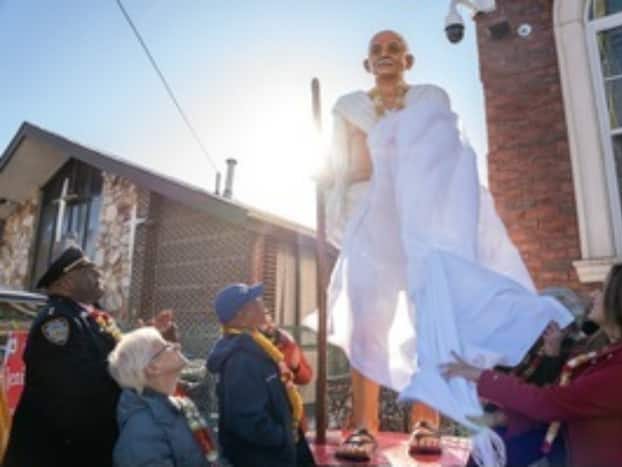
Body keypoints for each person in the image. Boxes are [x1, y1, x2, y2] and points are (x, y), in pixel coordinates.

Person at [319, 30, 571, 463]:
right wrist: (333, 205)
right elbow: (342, 167)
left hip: (420, 221)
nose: (384, 56)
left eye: (393, 49)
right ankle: (363, 425)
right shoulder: (347, 106)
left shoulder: (430, 97)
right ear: (366, 64)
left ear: (408, 60)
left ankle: (426, 421)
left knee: (428, 316)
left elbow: (445, 157)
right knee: (366, 320)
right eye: (376, 51)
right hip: (369, 219)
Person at [442, 262, 622, 467]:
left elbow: (552, 404)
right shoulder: (616, 356)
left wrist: (481, 376)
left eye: (604, 288)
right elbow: (568, 409)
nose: (594, 294)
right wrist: (500, 417)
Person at [4, 246, 122, 467]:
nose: (99, 274)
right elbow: (72, 388)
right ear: (66, 282)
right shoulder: (58, 321)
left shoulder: (89, 316)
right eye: (90, 270)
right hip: (56, 451)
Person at [207, 283, 315, 467]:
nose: (262, 304)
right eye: (254, 300)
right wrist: (283, 437)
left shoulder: (259, 345)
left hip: (281, 449)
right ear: (240, 315)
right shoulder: (241, 359)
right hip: (264, 457)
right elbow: (247, 420)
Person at [108, 327, 216, 466]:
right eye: (166, 346)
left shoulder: (179, 404)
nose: (177, 345)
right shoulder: (141, 433)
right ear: (153, 368)